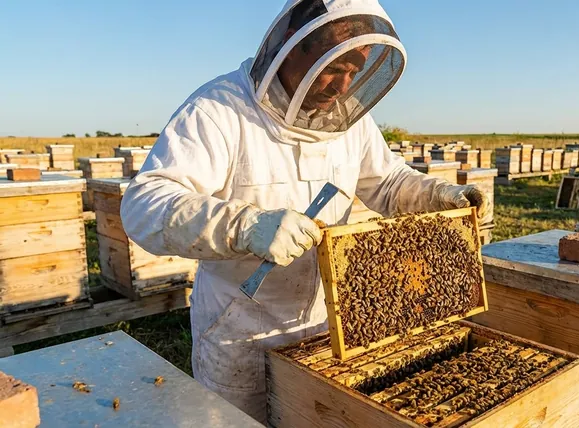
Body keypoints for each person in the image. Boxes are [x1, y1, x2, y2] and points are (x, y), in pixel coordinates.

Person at [119, 0, 491, 423]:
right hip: (241, 329)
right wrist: (246, 226)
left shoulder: (349, 122)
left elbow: (386, 182)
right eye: (336, 66)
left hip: (328, 325)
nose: (342, 85)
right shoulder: (218, 111)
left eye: (356, 71)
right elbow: (145, 204)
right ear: (292, 48)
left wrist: (439, 195)